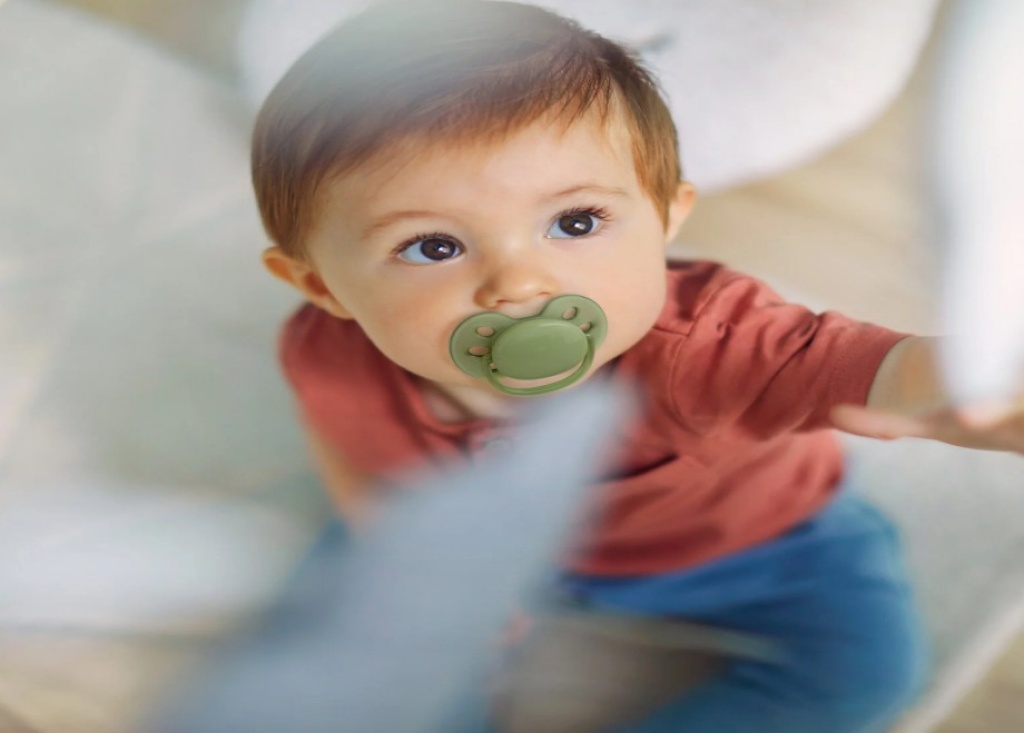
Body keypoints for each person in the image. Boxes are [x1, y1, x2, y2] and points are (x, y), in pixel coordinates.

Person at [252, 1, 1024, 731]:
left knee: (866, 673)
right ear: (324, 287)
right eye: (434, 246)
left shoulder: (712, 342)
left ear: (665, 215)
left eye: (574, 222)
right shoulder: (327, 356)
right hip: (481, 533)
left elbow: (852, 361)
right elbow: (350, 448)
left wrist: (972, 383)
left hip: (757, 547)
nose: (519, 283)